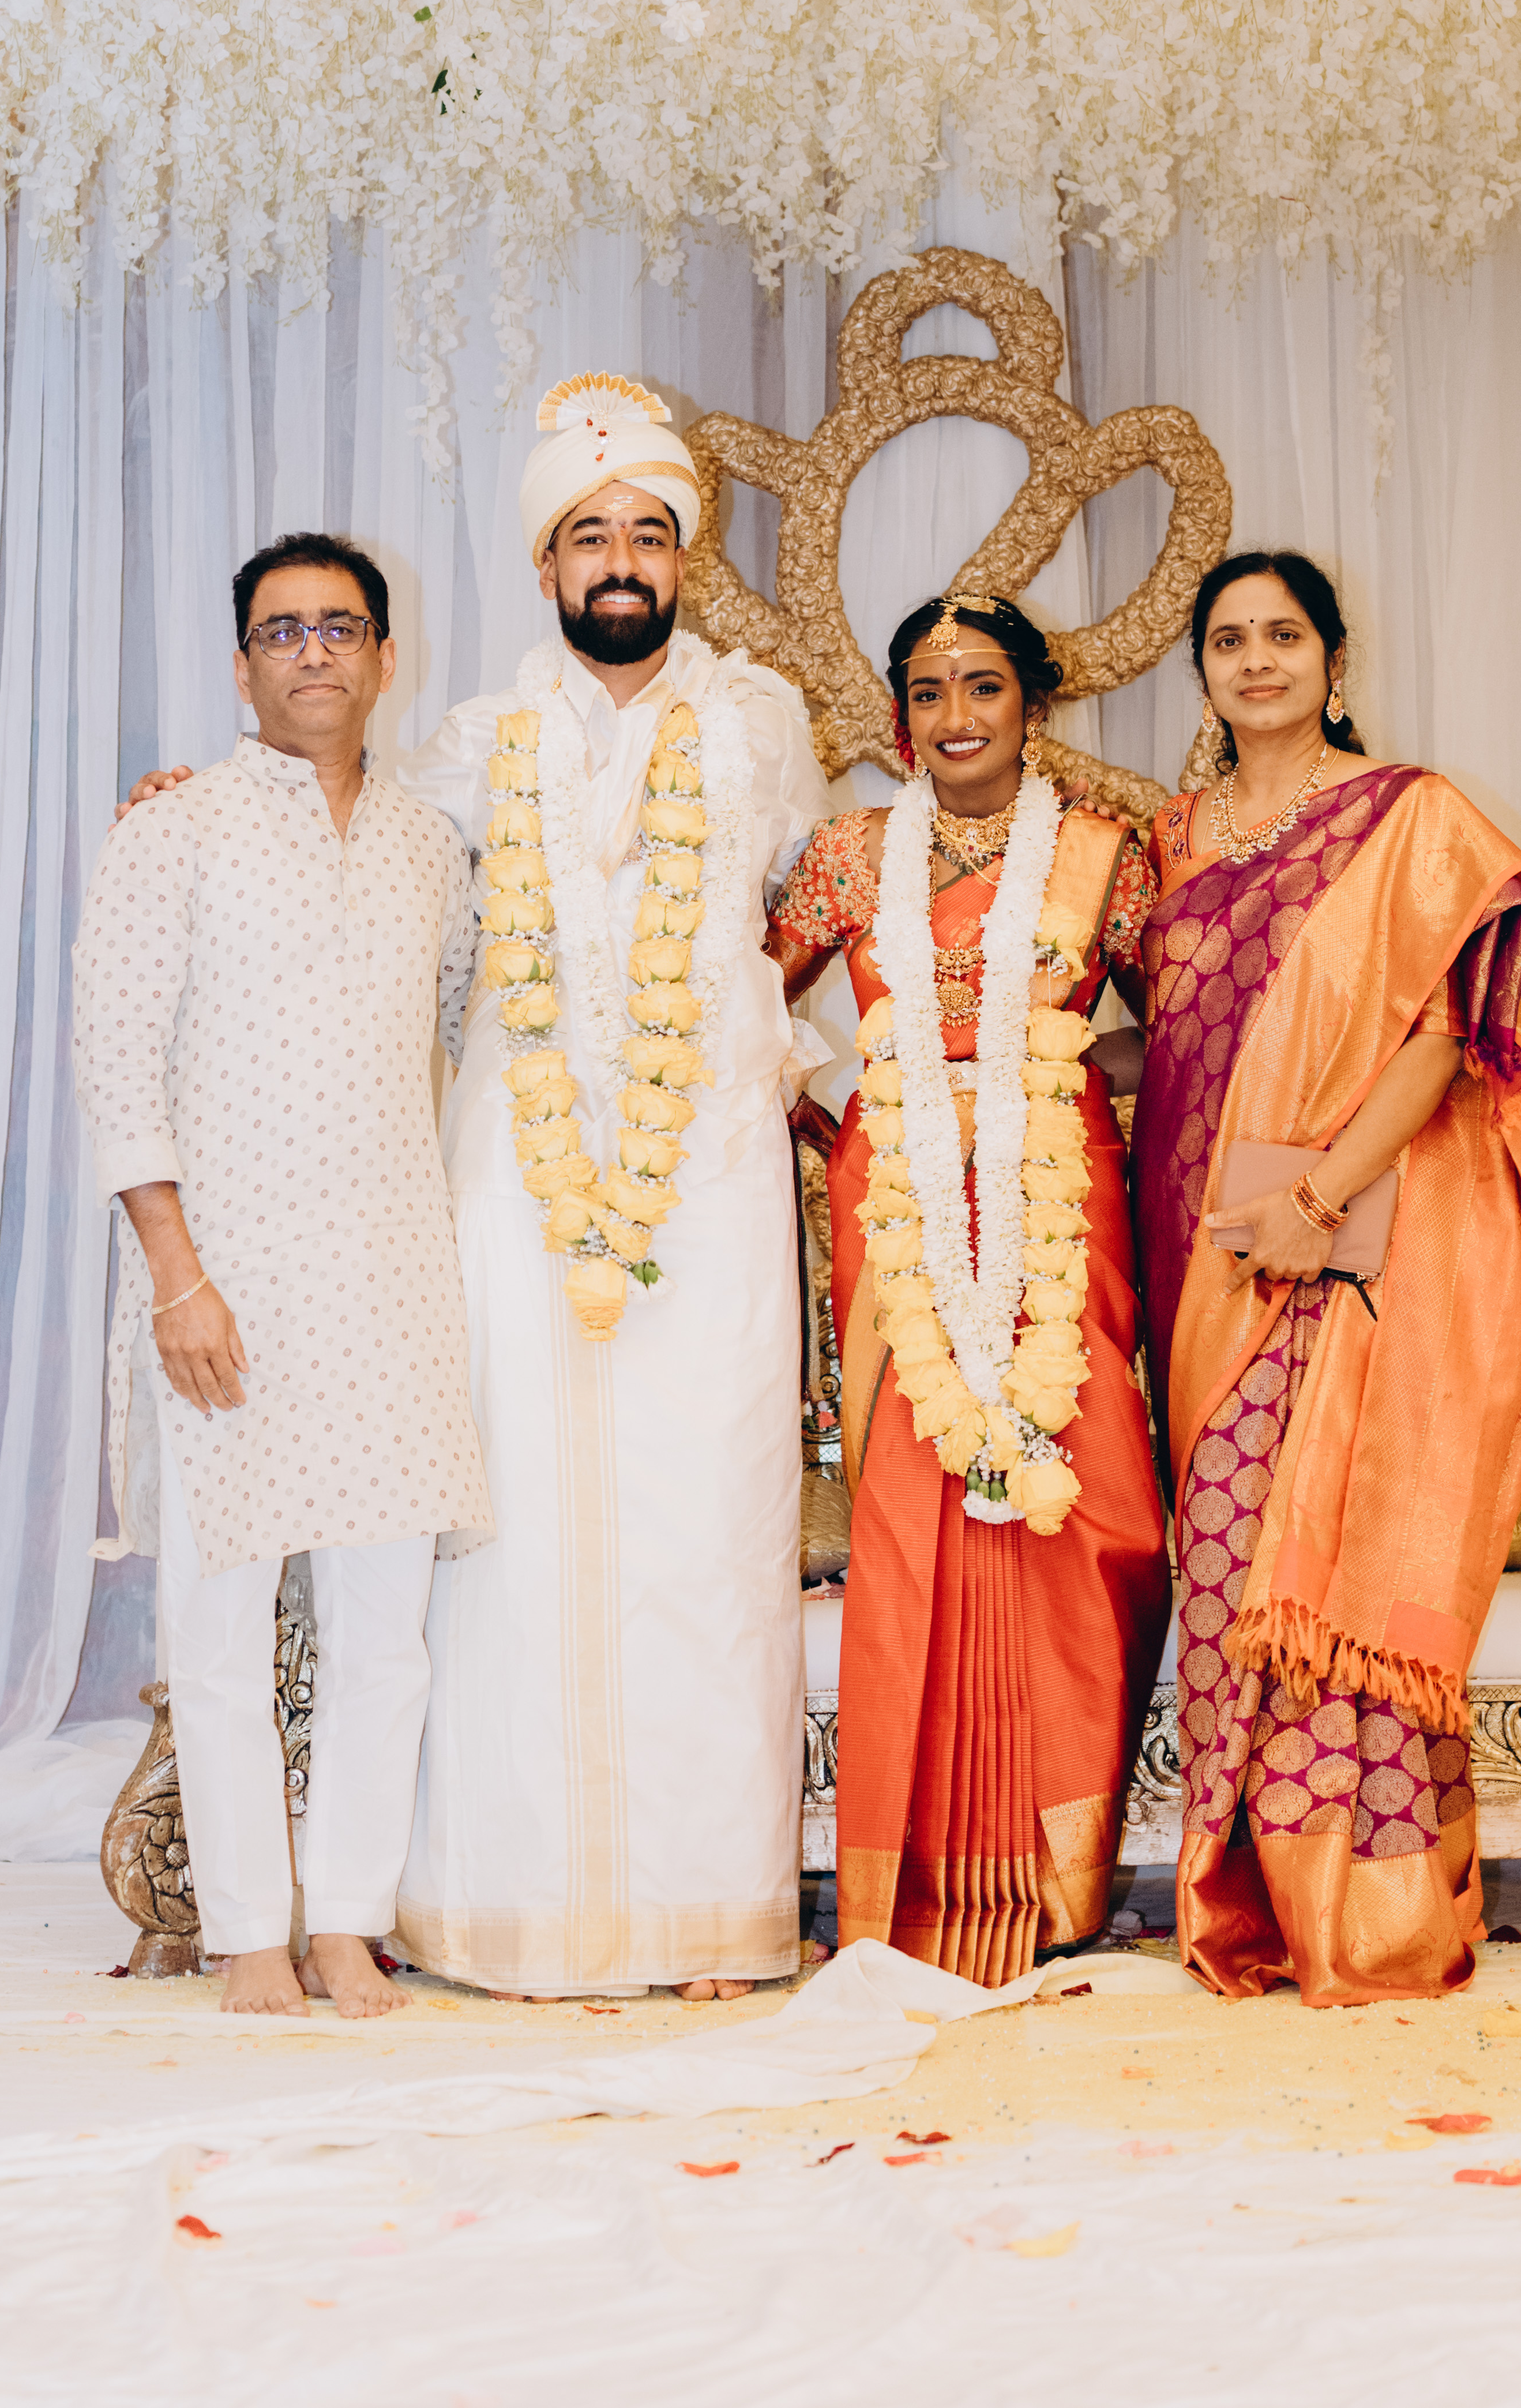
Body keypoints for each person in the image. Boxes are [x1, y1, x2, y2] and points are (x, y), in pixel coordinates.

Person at [385, 374, 831, 2000]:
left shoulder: (763, 724)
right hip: (513, 1182)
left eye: (650, 531)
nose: (622, 559)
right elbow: (360, 862)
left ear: (685, 558)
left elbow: (822, 911)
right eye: (591, 535)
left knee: (707, 1526)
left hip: (706, 1179)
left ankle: (707, 1911)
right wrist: (204, 796)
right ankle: (510, 1908)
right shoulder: (468, 745)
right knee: (515, 1535)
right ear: (545, 564)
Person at [1114, 549, 1521, 2007]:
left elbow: (1438, 1040)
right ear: (1200, 670)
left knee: (1313, 1564)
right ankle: (1237, 1896)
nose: (1257, 661)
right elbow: (1170, 1039)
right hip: (1195, 1240)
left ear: (1331, 658)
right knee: (1222, 1568)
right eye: (1229, 641)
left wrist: (1315, 1201)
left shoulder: (1405, 817)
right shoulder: (1172, 838)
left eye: (1283, 636)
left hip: (1338, 1239)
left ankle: (1357, 1914)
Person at [72, 532, 488, 2019]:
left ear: (386, 657)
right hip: (226, 1287)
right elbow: (115, 1065)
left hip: (391, 1282)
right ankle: (251, 1926)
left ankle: (349, 1922)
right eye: (282, 630)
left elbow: (461, 1035)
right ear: (242, 666)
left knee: (386, 1638)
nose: (314, 650)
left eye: (339, 627)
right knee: (221, 1624)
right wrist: (176, 1278)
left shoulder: (431, 847)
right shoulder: (173, 830)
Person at [764, 595, 1170, 1986]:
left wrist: (1071, 1068)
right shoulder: (845, 857)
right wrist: (827, 1115)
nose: (955, 717)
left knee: (1084, 1500)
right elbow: (737, 1001)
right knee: (909, 1498)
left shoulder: (1106, 856)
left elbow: (1192, 1029)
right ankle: (916, 1885)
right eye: (929, 692)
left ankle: (1058, 1881)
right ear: (899, 717)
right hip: (898, 1200)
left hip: (1058, 1194)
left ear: (1032, 706)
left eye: (983, 687)